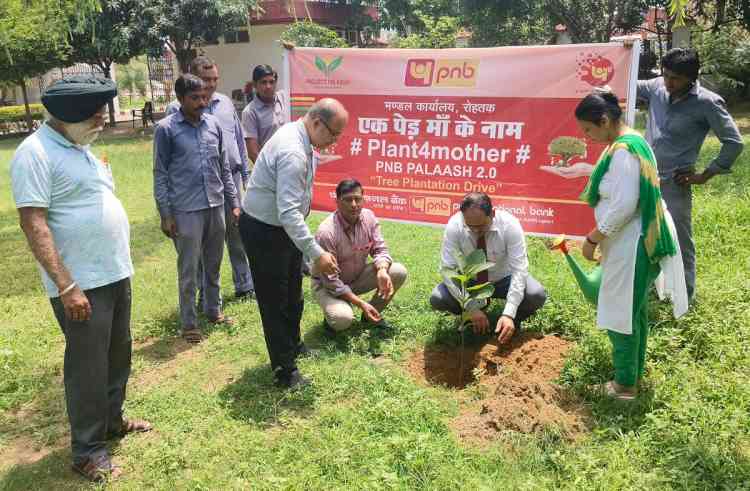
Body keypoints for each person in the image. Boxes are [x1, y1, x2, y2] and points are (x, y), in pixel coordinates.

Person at [9, 76, 151, 482]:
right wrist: (66, 285)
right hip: (80, 284)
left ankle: (112, 421)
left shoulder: (81, 147)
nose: (101, 120)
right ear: (66, 116)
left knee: (118, 354)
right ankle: (87, 451)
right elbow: (33, 221)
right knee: (87, 366)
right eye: (94, 115)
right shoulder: (34, 154)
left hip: (113, 272)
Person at [576, 90, 687, 401]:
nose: (587, 137)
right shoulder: (630, 143)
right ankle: (632, 375)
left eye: (588, 129)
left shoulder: (625, 150)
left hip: (634, 241)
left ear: (605, 120)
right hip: (632, 239)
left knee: (619, 312)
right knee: (632, 310)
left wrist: (592, 239)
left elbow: (624, 205)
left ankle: (625, 386)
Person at [238, 98, 347, 389]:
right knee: (275, 301)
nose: (335, 140)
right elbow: (287, 212)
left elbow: (290, 212)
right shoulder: (293, 151)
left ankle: (293, 345)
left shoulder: (302, 139)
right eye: (333, 133)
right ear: (315, 123)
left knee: (292, 294)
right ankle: (284, 370)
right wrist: (317, 253)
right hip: (264, 230)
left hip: (282, 228)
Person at [637, 48, 744, 301]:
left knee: (679, 240)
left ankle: (684, 295)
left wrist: (706, 175)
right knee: (644, 234)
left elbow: (734, 142)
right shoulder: (656, 87)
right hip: (642, 176)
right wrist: (624, 53)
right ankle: (652, 289)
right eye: (665, 75)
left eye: (675, 78)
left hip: (675, 182)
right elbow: (627, 82)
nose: (668, 83)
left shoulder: (707, 103)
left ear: (691, 78)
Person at [153, 74, 240, 344]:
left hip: (215, 204)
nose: (202, 102)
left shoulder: (213, 125)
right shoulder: (166, 129)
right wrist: (166, 214)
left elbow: (224, 167)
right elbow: (160, 173)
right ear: (180, 99)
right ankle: (189, 323)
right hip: (185, 210)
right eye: (195, 98)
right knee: (189, 270)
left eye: (204, 97)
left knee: (214, 264)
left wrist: (234, 201)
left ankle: (213, 310)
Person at [167, 56, 255, 301]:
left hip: (231, 180)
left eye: (215, 79)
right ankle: (205, 293)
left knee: (236, 235)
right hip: (200, 188)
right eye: (206, 80)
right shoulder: (175, 111)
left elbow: (238, 138)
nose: (211, 85)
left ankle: (244, 284)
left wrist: (245, 175)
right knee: (203, 243)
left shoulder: (225, 103)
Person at [429, 192, 547, 344]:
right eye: (470, 227)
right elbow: (447, 270)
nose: (476, 231)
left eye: (481, 226)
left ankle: (509, 323)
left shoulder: (510, 225)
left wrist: (509, 314)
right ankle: (471, 319)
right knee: (439, 298)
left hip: (504, 279)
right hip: (472, 281)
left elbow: (519, 270)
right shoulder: (455, 225)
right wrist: (470, 307)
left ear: (492, 213)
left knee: (536, 294)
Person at [313, 179, 408, 333]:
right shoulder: (327, 232)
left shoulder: (369, 217)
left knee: (398, 271)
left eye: (358, 199)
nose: (354, 205)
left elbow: (380, 249)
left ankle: (370, 316)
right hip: (328, 286)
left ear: (363, 199)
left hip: (355, 278)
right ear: (337, 201)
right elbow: (331, 281)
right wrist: (360, 303)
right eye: (348, 200)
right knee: (342, 320)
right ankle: (334, 316)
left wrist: (382, 270)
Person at [241, 64, 288, 163]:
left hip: (292, 161)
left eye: (272, 82)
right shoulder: (250, 112)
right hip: (272, 166)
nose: (268, 86)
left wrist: (293, 54)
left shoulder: (286, 98)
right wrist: (267, 173)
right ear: (255, 85)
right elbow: (253, 153)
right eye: (263, 82)